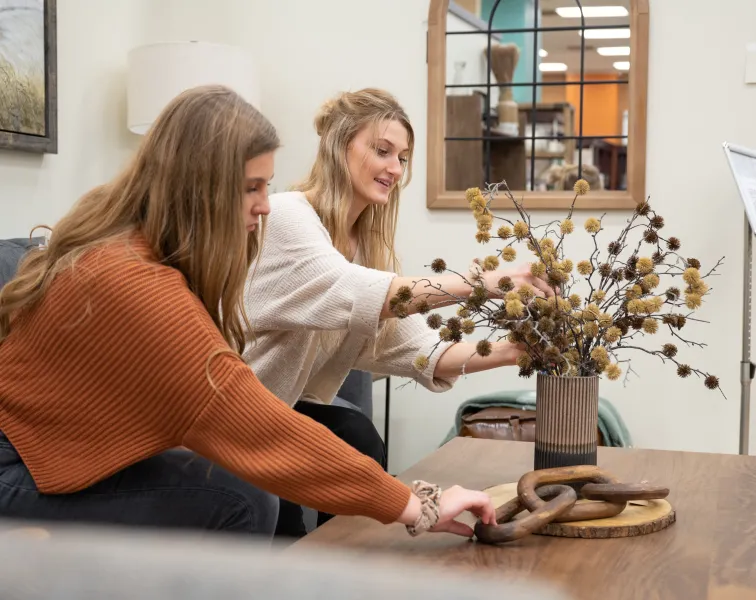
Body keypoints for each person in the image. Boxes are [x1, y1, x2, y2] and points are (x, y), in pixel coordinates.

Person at [0, 85, 496, 541]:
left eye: (267, 186)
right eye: (251, 187)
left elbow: (393, 338)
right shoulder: (136, 283)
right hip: (17, 468)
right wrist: (418, 505)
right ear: (201, 187)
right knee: (241, 498)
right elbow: (249, 416)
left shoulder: (144, 253)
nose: (265, 206)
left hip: (57, 452)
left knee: (314, 450)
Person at [243, 88, 551, 536]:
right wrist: (489, 284)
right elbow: (361, 292)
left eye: (402, 158)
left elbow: (419, 349)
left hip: (282, 413)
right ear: (338, 146)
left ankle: (346, 562)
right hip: (235, 415)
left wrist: (514, 352)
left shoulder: (363, 247)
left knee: (353, 431)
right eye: (382, 151)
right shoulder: (288, 217)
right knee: (290, 509)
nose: (395, 168)